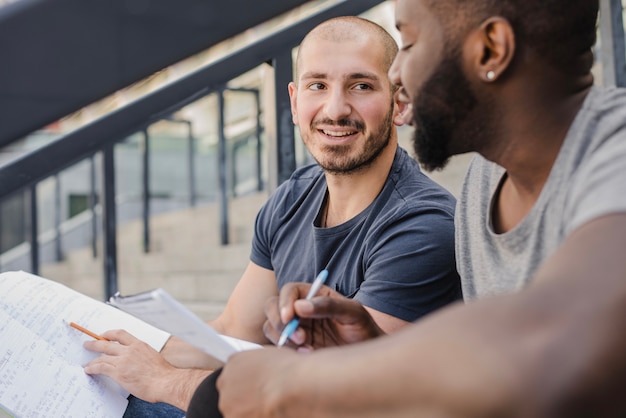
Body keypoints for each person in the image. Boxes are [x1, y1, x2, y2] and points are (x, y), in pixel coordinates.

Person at [198, 0, 626, 416]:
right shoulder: (486, 181)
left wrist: (287, 387)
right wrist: (370, 348)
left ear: (490, 48)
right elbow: (480, 381)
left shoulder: (616, 155)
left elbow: (556, 347)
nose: (398, 76)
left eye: (410, 43)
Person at [82, 15, 461, 415]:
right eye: (318, 86)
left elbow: (341, 397)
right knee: (104, 385)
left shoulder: (423, 226)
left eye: (361, 86)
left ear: (399, 103)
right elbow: (233, 333)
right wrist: (128, 345)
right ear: (295, 102)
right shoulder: (291, 199)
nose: (335, 109)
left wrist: (165, 380)